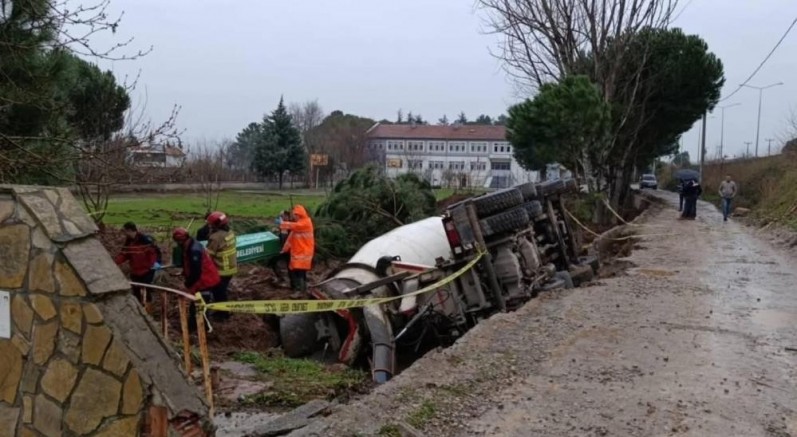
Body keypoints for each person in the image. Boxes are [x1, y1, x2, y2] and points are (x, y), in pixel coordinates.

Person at [172, 227, 221, 330]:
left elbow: (196, 271)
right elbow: (189, 264)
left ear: (181, 240)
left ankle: (202, 328)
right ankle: (194, 326)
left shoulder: (194, 250)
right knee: (196, 305)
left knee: (200, 306)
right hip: (203, 278)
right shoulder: (189, 245)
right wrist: (185, 273)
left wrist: (187, 284)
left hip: (205, 280)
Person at [114, 222, 162, 313]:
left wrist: (155, 263)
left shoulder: (145, 240)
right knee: (136, 293)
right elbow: (124, 254)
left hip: (147, 271)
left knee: (146, 292)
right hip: (135, 272)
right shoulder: (128, 242)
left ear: (130, 230)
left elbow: (153, 253)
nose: (125, 234)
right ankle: (139, 312)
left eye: (125, 231)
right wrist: (114, 263)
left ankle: (148, 312)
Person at [205, 211, 237, 320]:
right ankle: (221, 311)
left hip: (221, 270)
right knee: (222, 291)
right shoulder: (230, 232)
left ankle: (223, 315)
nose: (209, 225)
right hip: (231, 268)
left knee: (219, 293)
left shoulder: (215, 237)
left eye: (210, 224)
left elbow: (208, 256)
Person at [279, 205, 315, 294]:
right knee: (297, 271)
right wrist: (284, 249)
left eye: (295, 215)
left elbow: (294, 226)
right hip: (298, 253)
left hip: (304, 253)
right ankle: (301, 288)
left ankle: (300, 291)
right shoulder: (299, 224)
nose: (293, 217)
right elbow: (290, 239)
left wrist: (282, 223)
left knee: (300, 272)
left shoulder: (305, 223)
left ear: (299, 215)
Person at [268, 210, 292, 284]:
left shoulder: (291, 225)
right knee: (273, 261)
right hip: (283, 249)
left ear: (288, 216)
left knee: (290, 267)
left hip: (289, 250)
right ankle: (281, 278)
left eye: (284, 216)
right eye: (281, 216)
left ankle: (292, 283)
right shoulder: (283, 225)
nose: (282, 217)